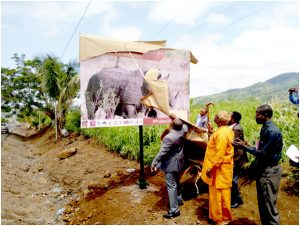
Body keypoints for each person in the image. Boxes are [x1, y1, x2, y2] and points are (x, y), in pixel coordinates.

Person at [233, 104, 283, 225]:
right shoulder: (266, 128)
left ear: (265, 115)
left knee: (268, 206)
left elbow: (263, 154)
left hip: (268, 172)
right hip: (264, 170)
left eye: (257, 114)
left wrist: (244, 147)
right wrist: (247, 145)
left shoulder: (271, 131)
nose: (255, 116)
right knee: (264, 205)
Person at [201, 111, 234, 225]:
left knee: (220, 196)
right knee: (217, 195)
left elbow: (219, 154)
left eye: (216, 116)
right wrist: (211, 130)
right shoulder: (225, 130)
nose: (214, 117)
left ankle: (221, 220)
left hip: (219, 170)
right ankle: (217, 216)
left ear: (219, 120)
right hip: (221, 169)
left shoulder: (221, 134)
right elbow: (218, 135)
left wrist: (211, 168)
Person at [151, 117, 188, 219]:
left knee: (171, 185)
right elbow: (184, 125)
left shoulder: (169, 137)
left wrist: (154, 162)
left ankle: (174, 210)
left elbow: (162, 152)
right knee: (176, 181)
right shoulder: (183, 131)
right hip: (179, 162)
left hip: (171, 164)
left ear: (172, 125)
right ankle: (179, 199)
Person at [228, 111, 247, 208]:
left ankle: (236, 200)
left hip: (237, 157)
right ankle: (237, 198)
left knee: (233, 179)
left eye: (229, 115)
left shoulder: (237, 129)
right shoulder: (232, 126)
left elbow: (233, 142)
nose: (227, 116)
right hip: (234, 156)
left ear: (233, 119)